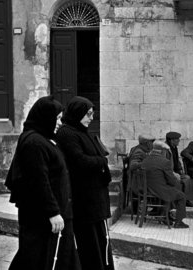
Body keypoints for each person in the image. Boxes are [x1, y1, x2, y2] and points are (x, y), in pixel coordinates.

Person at [6, 96, 81, 270]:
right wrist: (53, 212)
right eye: (57, 119)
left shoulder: (43, 139)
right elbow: (38, 180)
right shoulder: (34, 142)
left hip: (50, 215)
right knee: (36, 258)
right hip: (40, 217)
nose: (59, 123)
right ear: (45, 117)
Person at [56, 96, 114, 270]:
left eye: (92, 114)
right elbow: (79, 161)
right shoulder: (67, 133)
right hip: (85, 200)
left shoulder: (82, 132)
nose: (91, 118)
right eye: (88, 114)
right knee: (89, 243)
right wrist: (102, 162)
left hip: (95, 199)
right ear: (77, 113)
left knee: (100, 240)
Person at [142, 141, 189, 228]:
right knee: (181, 195)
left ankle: (165, 215)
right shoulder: (165, 162)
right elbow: (171, 181)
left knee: (172, 190)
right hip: (159, 190)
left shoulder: (145, 160)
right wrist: (176, 179)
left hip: (148, 189)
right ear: (162, 151)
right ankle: (178, 221)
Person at [165, 131, 193, 207]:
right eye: (177, 139)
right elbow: (166, 165)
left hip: (176, 172)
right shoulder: (166, 149)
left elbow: (176, 161)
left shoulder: (174, 147)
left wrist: (180, 170)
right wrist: (174, 173)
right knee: (180, 181)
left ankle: (185, 200)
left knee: (187, 178)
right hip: (170, 173)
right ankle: (178, 201)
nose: (179, 140)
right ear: (171, 140)